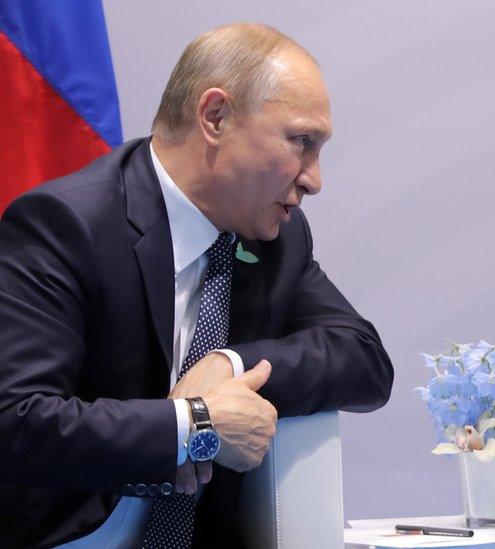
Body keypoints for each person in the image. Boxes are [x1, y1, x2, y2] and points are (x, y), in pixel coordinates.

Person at [0, 23, 394, 548]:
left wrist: (228, 363)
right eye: (302, 142)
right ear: (215, 117)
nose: (314, 179)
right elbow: (15, 420)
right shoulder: (70, 225)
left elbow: (364, 360)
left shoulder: (277, 236)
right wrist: (194, 424)